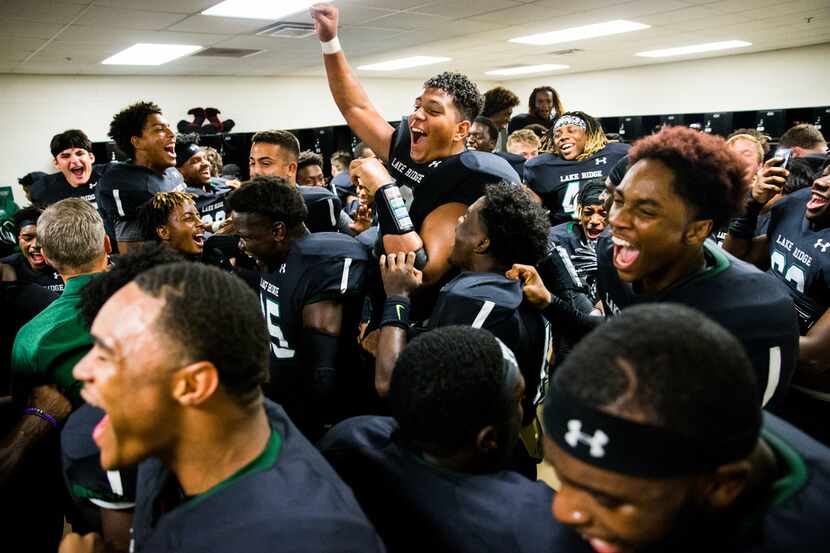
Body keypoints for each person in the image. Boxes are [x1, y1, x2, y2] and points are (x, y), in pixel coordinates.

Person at [62, 262, 384, 552]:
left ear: (193, 385)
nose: (81, 371)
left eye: (106, 355)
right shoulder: (213, 427)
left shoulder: (301, 539)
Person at [543, 303, 830, 553]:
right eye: (561, 476)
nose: (562, 510)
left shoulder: (807, 535)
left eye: (607, 500)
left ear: (722, 486)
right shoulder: (688, 428)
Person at [311, 3, 519, 298]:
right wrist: (329, 40)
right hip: (383, 281)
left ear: (461, 130)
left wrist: (383, 186)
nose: (417, 116)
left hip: (425, 309)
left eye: (433, 110)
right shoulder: (406, 143)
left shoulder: (466, 174)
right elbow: (355, 107)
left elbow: (421, 271)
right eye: (417, 106)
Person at [593, 126, 798, 408]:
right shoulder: (609, 251)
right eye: (619, 200)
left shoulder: (755, 312)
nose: (617, 220)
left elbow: (754, 431)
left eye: (646, 210)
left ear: (697, 230)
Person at [320, 326, 563, 553]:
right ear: (488, 439)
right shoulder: (535, 523)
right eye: (518, 398)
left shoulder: (350, 441)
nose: (522, 408)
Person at [374, 183, 552, 438]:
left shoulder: (475, 299)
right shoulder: (523, 286)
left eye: (467, 217)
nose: (457, 222)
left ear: (482, 243)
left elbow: (391, 383)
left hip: (470, 460)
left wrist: (397, 297)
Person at [3, 198, 110, 551]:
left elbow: (32, 416)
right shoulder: (155, 298)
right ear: (106, 243)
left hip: (85, 488)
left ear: (46, 257)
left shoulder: (32, 336)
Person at [226, 177, 369, 438]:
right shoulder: (276, 254)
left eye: (246, 236)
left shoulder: (322, 260)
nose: (241, 244)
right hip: (283, 398)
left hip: (318, 417)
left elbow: (321, 370)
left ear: (278, 232)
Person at [725, 160, 830, 444]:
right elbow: (739, 258)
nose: (822, 182)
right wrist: (751, 205)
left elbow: (815, 356)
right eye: (827, 172)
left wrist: (727, 329)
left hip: (809, 396)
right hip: (764, 359)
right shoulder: (797, 205)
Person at [96, 101, 184, 253]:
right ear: (136, 141)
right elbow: (134, 262)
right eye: (159, 130)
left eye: (169, 127)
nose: (172, 134)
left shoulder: (171, 172)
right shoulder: (128, 186)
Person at [524, 111, 629, 225]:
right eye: (557, 135)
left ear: (588, 133)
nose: (563, 137)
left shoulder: (617, 154)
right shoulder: (541, 166)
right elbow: (533, 215)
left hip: (611, 231)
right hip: (565, 235)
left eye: (571, 131)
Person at [248, 130, 342, 233]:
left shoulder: (320, 201)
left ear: (291, 169)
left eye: (266, 163)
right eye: (252, 163)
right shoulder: (243, 207)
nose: (256, 171)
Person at [548, 179, 608, 304]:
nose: (594, 220)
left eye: (603, 214)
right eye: (588, 213)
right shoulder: (555, 239)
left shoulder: (622, 243)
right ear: (580, 212)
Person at [29, 129, 107, 209]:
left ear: (91, 157)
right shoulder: (45, 188)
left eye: (79, 154)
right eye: (66, 156)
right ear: (56, 163)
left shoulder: (108, 176)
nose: (75, 160)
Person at [0, 206, 65, 293]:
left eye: (43, 237)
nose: (36, 245)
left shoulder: (69, 265)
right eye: (28, 238)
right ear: (18, 239)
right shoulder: (6, 267)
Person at [175, 135, 233, 229]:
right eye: (195, 161)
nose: (206, 163)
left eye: (205, 158)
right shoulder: (178, 199)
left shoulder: (223, 185)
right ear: (179, 171)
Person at [136, 191, 206, 259]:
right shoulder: (156, 270)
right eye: (188, 218)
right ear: (163, 232)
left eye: (198, 216)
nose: (201, 223)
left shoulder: (208, 253)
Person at [482, 86, 520, 152]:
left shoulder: (502, 133)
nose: (509, 120)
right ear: (492, 112)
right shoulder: (470, 136)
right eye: (506, 114)